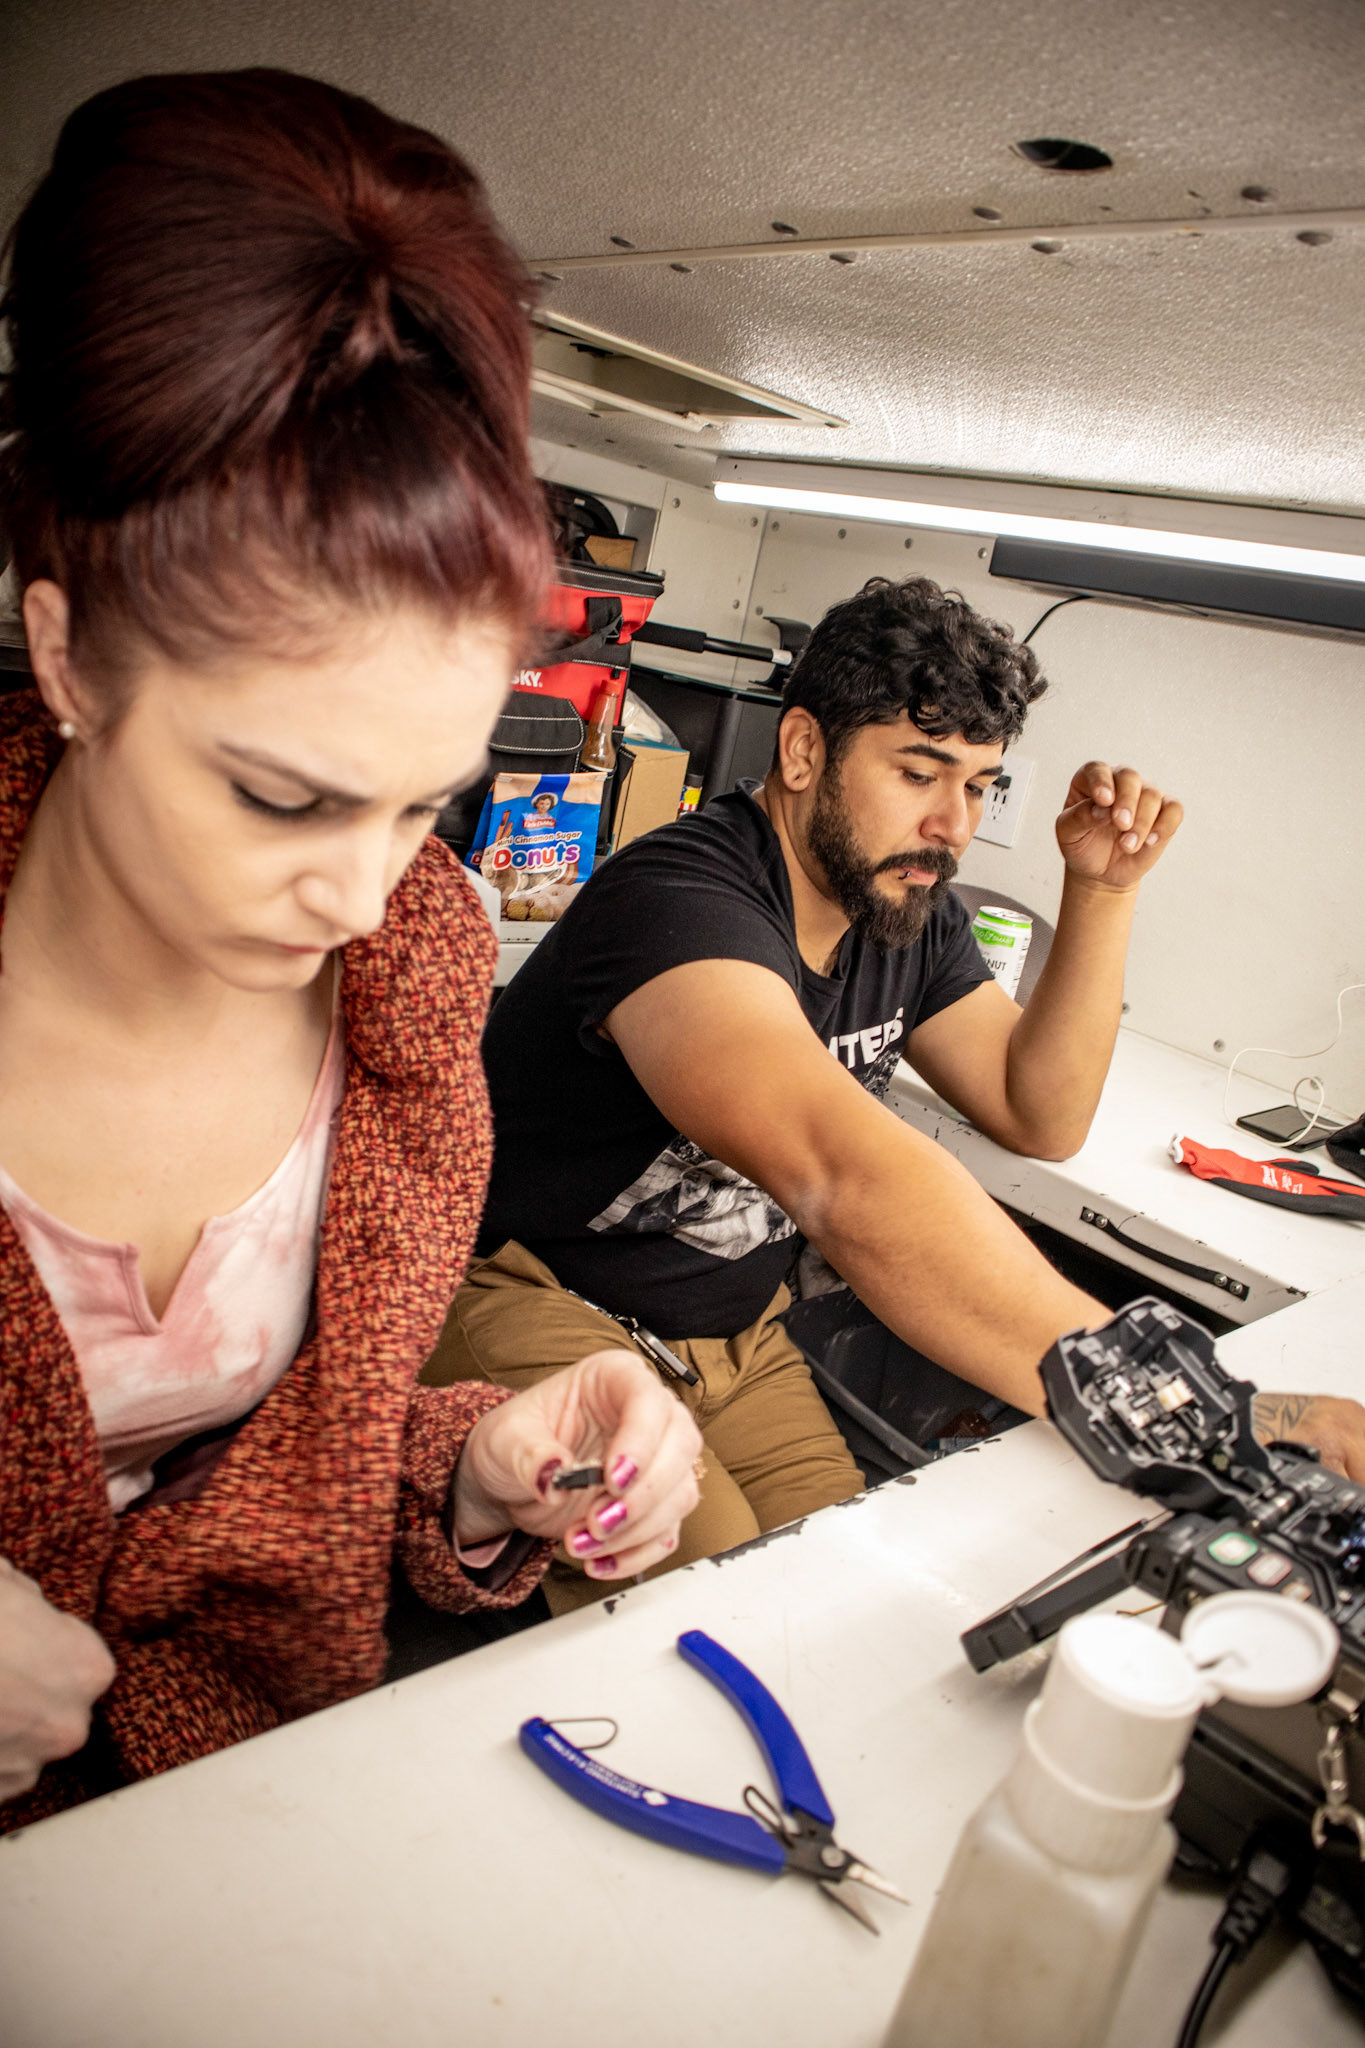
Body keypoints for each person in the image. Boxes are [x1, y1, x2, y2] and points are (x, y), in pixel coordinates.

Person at [0, 70, 701, 1827]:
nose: (366, 898)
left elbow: (276, 1469)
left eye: (421, 805)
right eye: (278, 796)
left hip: (218, 1826)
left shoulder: (418, 969)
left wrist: (474, 1462)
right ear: (68, 653)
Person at [426, 574, 1365, 1607]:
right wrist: (1196, 1407)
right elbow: (841, 1173)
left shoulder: (902, 910)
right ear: (801, 752)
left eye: (980, 785)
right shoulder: (680, 900)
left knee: (841, 1587)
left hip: (732, 1339)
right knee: (703, 1603)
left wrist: (1101, 891)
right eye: (920, 772)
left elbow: (1038, 1112)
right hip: (531, 1296)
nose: (952, 823)